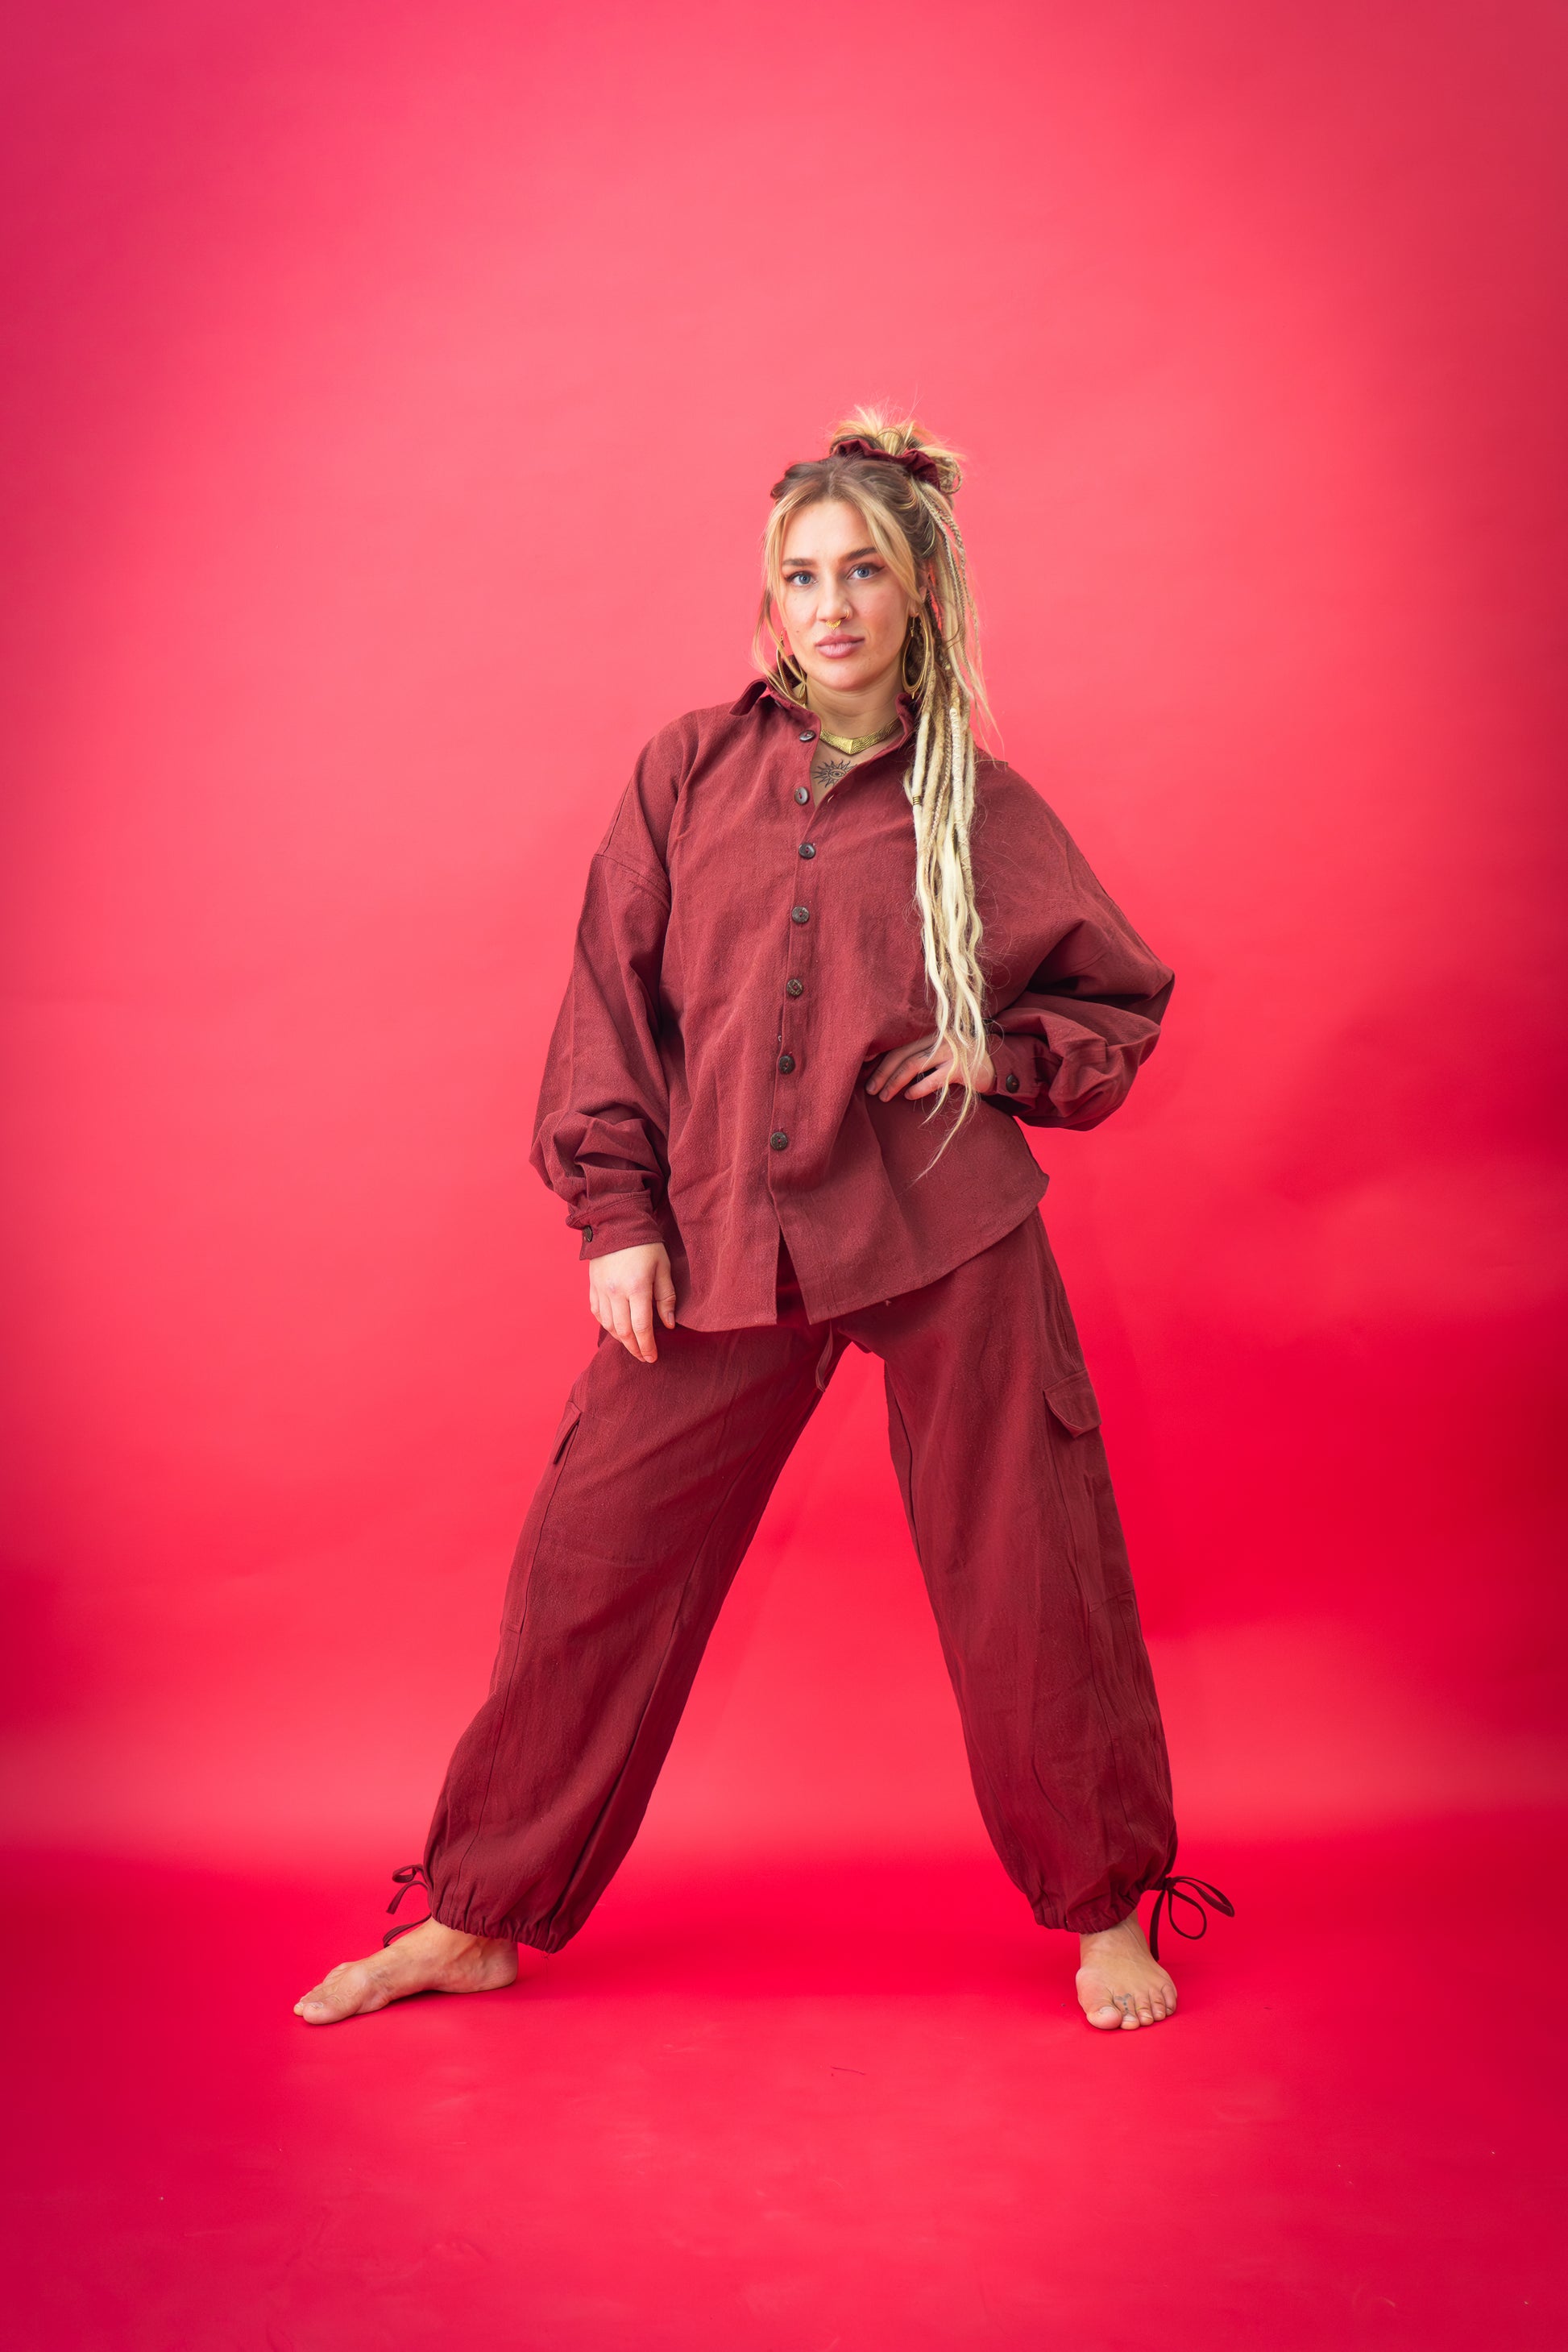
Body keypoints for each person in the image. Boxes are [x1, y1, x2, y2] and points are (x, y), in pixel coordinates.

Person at [295, 409, 1230, 2034]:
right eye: (801, 575)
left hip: (942, 1224)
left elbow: (1113, 1003)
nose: (831, 604)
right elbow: (611, 1003)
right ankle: (478, 1915)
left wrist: (998, 1057)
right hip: (720, 1228)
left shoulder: (975, 800)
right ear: (769, 598)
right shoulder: (686, 770)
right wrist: (618, 1215)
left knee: (1030, 1561)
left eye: (862, 571)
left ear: (919, 593)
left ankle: (1101, 1910)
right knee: (595, 1556)